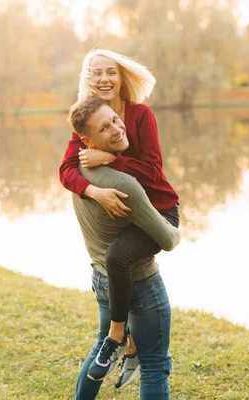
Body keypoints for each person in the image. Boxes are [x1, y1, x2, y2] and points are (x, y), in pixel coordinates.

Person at [59, 49, 180, 384]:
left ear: (121, 77)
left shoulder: (140, 115)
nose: (104, 79)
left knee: (117, 256)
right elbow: (67, 170)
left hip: (159, 212)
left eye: (110, 72)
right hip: (128, 219)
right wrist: (94, 191)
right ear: (88, 79)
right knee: (115, 259)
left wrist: (112, 160)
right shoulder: (87, 120)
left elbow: (154, 173)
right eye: (96, 73)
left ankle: (118, 339)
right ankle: (129, 347)